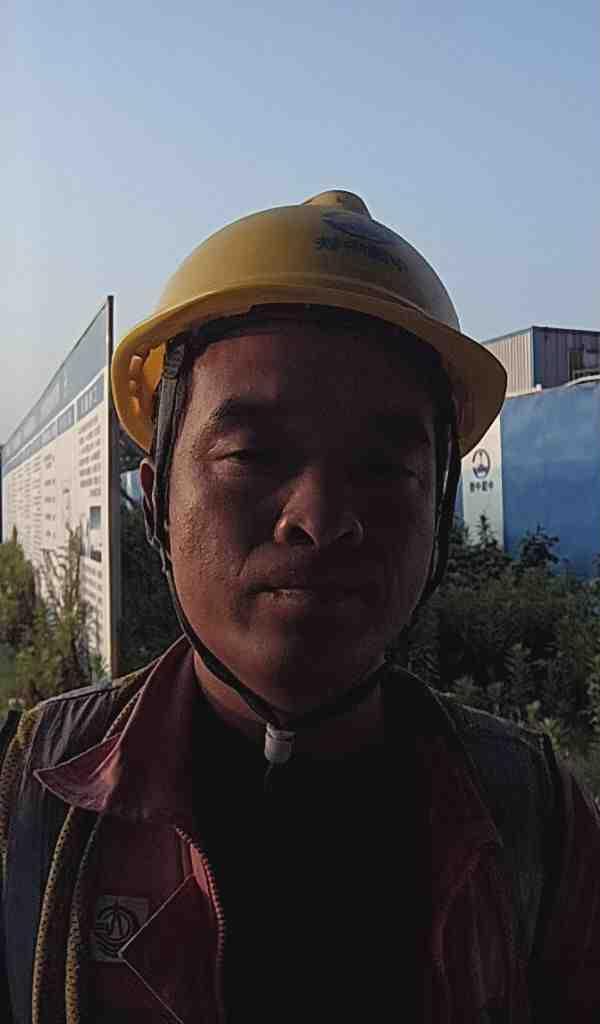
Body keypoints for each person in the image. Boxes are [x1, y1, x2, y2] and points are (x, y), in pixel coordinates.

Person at [1, 190, 599, 1023]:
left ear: (439, 513)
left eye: (384, 468)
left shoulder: (537, 820)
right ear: (156, 500)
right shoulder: (29, 797)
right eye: (252, 453)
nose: (320, 517)